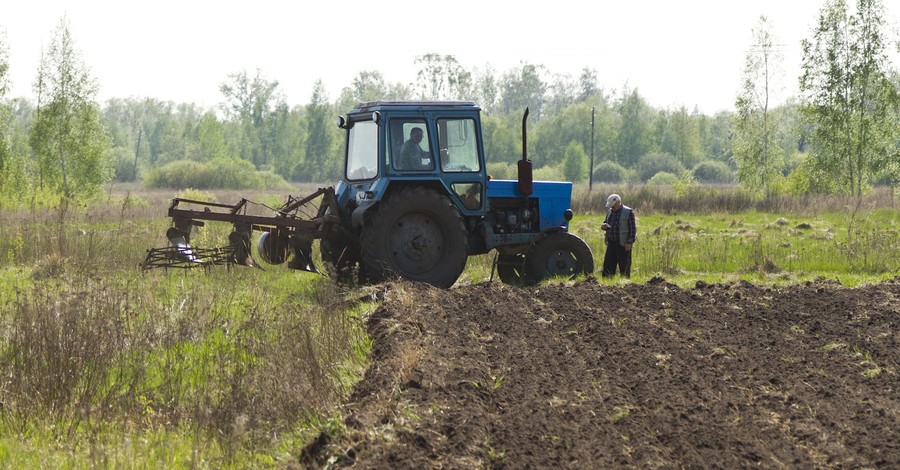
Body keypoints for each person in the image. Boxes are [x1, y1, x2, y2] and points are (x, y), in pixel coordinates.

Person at [600, 193, 636, 278]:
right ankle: (607, 283)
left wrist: (629, 242)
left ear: (618, 202)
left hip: (623, 244)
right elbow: (605, 222)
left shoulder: (628, 212)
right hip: (611, 243)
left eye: (613, 205)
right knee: (608, 266)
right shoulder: (610, 212)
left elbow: (632, 229)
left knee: (624, 267)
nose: (612, 207)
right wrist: (603, 226)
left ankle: (624, 284)